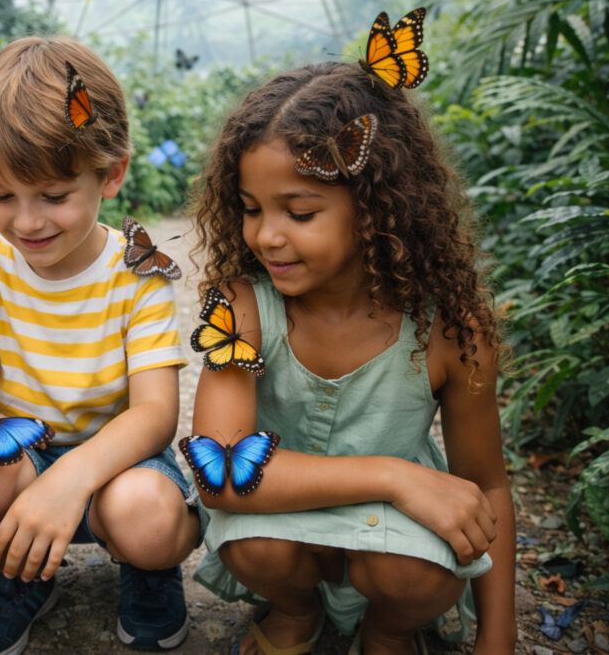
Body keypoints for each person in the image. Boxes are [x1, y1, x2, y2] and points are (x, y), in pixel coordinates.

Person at [187, 60, 516, 655]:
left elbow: (485, 485)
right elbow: (223, 476)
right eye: (251, 208)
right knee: (255, 546)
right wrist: (396, 477)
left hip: (395, 544)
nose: (266, 236)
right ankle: (296, 609)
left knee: (421, 574)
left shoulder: (449, 329)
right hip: (282, 527)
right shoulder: (242, 308)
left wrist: (500, 635)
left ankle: (389, 630)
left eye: (300, 212)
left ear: (376, 208)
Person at [0, 35, 202, 655]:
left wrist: (74, 476)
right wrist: (40, 481)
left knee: (146, 514)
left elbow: (156, 415)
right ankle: (24, 571)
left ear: (111, 175)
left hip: (122, 468)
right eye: (2, 195)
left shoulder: (138, 271)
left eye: (54, 196)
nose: (26, 221)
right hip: (20, 459)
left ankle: (149, 568)